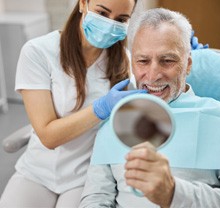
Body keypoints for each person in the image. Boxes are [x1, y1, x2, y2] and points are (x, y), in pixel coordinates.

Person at [80, 8, 220, 208]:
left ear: (187, 64)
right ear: (132, 63)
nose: (153, 76)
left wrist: (174, 193)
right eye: (143, 61)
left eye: (167, 60)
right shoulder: (113, 121)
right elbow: (95, 198)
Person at [0, 0, 148, 207]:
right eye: (102, 13)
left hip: (85, 177)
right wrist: (101, 108)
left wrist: (187, 57)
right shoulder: (39, 52)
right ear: (83, 4)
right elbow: (48, 136)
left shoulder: (125, 62)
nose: (109, 24)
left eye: (121, 19)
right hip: (36, 171)